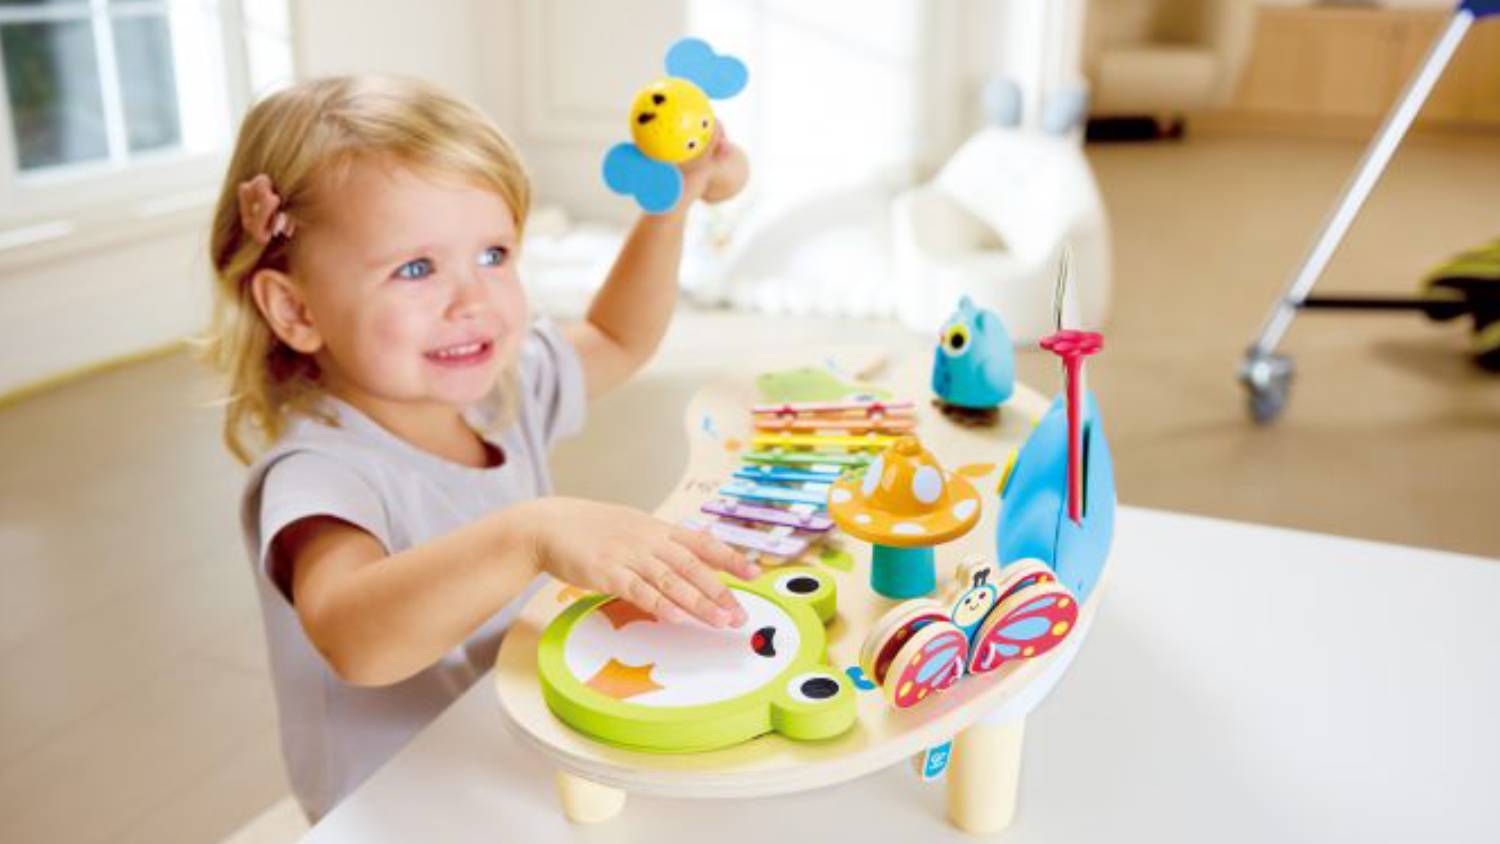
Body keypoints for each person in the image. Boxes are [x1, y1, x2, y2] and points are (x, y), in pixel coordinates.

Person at [202, 75, 753, 821]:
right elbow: (353, 637)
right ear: (297, 310)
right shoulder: (317, 472)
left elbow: (620, 337)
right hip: (402, 809)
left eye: (494, 255)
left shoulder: (502, 394)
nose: (474, 301)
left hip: (508, 752)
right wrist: (530, 534)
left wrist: (671, 207)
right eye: (417, 268)